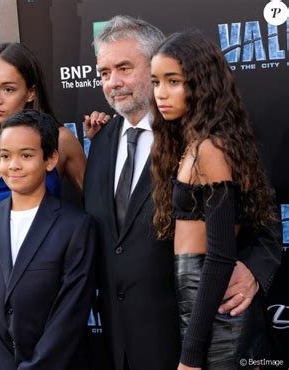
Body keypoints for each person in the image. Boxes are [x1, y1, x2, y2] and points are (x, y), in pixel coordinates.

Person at [83, 15, 281, 370]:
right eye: (103, 72)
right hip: (120, 344)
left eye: (124, 68)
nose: (113, 82)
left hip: (194, 341)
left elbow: (264, 219)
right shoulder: (100, 144)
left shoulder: (200, 139)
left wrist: (252, 271)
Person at [150, 31, 280, 370]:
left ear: (201, 84)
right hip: (201, 309)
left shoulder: (210, 148)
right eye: (156, 82)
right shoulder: (195, 144)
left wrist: (190, 356)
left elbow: (220, 257)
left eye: (173, 81)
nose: (161, 94)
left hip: (217, 316)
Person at [0, 42, 88, 368]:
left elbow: (97, 212)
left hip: (47, 307)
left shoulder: (62, 142)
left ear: (30, 92)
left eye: (7, 88)